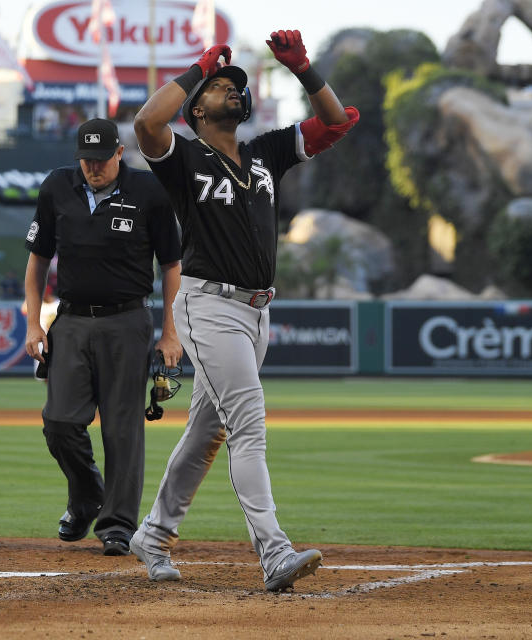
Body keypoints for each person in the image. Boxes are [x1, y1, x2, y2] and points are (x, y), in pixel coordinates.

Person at [129, 31, 360, 590]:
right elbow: (145, 125)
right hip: (208, 306)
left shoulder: (264, 152)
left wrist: (303, 69)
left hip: (256, 314)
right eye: (220, 86)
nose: (233, 90)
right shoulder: (185, 157)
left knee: (208, 430)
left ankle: (153, 534)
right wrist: (199, 65)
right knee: (248, 422)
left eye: (238, 85)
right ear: (197, 107)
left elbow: (334, 122)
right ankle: (273, 551)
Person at [24, 118, 183, 556]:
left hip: (127, 321)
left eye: (101, 159)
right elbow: (38, 259)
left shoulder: (150, 192)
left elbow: (172, 266)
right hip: (71, 320)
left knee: (122, 429)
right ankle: (86, 495)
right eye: (86, 160)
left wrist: (171, 332)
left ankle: (117, 524)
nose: (93, 167)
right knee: (58, 421)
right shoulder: (58, 187)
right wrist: (34, 322)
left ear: (119, 153)